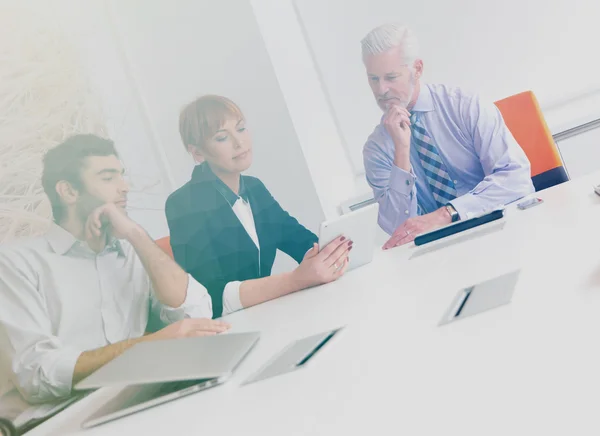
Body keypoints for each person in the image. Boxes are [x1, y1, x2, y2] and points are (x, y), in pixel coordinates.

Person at [0, 135, 229, 416]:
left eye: (122, 176)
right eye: (108, 178)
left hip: (136, 398)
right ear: (69, 192)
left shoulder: (131, 249)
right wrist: (151, 345)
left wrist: (136, 235)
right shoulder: (15, 263)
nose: (125, 188)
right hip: (60, 416)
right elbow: (36, 373)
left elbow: (196, 314)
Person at [166, 95, 352, 318]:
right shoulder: (184, 203)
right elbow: (210, 296)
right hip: (230, 328)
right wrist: (295, 279)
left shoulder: (254, 188)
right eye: (222, 137)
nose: (239, 142)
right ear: (197, 153)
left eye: (241, 129)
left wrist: (334, 253)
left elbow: (298, 239)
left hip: (269, 314)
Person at [361, 24, 534, 249]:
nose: (381, 89)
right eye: (373, 79)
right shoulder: (377, 149)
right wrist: (401, 151)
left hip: (504, 230)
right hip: (440, 253)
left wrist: (447, 213)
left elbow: (516, 178)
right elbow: (399, 229)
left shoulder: (464, 106)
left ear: (417, 68)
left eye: (391, 77)